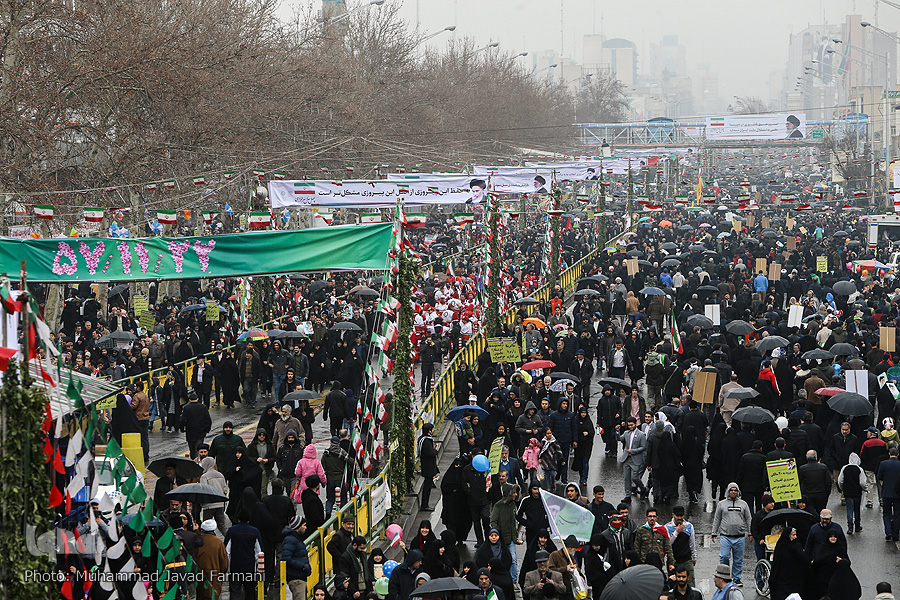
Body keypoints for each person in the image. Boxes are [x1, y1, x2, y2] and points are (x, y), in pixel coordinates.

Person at [711, 483, 751, 587]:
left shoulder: (743, 504)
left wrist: (750, 532)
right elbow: (717, 518)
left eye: (735, 490)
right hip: (725, 536)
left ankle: (737, 579)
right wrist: (714, 532)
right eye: (731, 490)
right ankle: (725, 576)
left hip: (740, 536)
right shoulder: (721, 504)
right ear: (728, 491)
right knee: (724, 556)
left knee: (738, 560)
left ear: (738, 492)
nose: (733, 492)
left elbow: (748, 519)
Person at [224, 510, 263, 600]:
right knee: (250, 593)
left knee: (235, 592)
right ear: (249, 520)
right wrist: (258, 569)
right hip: (250, 568)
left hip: (235, 568)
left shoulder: (232, 531)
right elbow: (259, 552)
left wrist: (228, 568)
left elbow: (226, 551)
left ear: (238, 520)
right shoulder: (254, 531)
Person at [490, 483, 521, 580]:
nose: (516, 495)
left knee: (513, 560)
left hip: (510, 539)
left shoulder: (512, 505)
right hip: (501, 539)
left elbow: (513, 523)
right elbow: (493, 521)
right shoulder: (498, 505)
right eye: (514, 492)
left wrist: (515, 536)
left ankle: (514, 580)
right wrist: (497, 534)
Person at [767, 527, 808, 600]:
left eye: (795, 535)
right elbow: (777, 563)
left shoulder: (796, 546)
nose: (795, 537)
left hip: (795, 578)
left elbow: (803, 559)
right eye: (793, 535)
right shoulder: (781, 547)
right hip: (782, 579)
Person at [633, 507, 674, 573]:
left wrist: (671, 562)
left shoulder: (662, 530)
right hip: (644, 563)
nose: (652, 518)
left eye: (654, 516)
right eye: (650, 516)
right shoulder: (641, 530)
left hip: (659, 562)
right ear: (646, 517)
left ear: (657, 517)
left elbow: (668, 547)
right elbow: (637, 547)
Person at [195, 519, 229, 600]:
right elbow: (224, 563)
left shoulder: (197, 541)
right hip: (214, 576)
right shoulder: (218, 542)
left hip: (199, 575)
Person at [664, 506, 697, 587]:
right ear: (673, 515)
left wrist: (694, 557)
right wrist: (676, 532)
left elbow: (692, 543)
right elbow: (668, 544)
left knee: (690, 585)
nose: (679, 518)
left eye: (681, 516)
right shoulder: (667, 527)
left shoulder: (689, 526)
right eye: (677, 516)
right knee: (674, 586)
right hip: (673, 561)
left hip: (687, 560)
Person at [617, 416, 648, 501]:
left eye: (631, 425)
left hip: (636, 459)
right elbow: (619, 438)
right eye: (629, 425)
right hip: (627, 458)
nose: (630, 426)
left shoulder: (641, 435)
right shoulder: (627, 433)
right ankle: (628, 495)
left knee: (635, 477)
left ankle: (643, 488)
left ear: (635, 424)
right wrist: (617, 432)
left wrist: (633, 451)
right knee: (626, 478)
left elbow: (644, 447)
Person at [282, 515, 312, 600]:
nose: (306, 527)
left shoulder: (295, 539)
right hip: (296, 578)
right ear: (298, 526)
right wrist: (302, 566)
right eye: (304, 525)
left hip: (299, 577)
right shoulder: (291, 539)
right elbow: (286, 558)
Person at [321, 435, 352, 517]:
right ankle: (342, 515)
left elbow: (323, 463)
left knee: (330, 499)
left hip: (330, 479)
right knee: (343, 498)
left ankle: (328, 512)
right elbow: (351, 462)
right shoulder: (342, 453)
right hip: (340, 479)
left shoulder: (326, 453)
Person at [838, 452, 867, 533]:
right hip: (857, 492)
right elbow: (862, 482)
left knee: (849, 509)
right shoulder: (859, 469)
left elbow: (840, 480)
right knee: (857, 509)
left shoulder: (844, 468)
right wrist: (865, 489)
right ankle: (857, 525)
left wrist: (842, 488)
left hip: (847, 491)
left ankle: (850, 527)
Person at [876, 445, 900, 541]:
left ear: (889, 454)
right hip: (898, 493)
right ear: (898, 454)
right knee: (897, 513)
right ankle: (895, 533)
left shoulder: (883, 463)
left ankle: (888, 531)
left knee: (886, 512)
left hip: (886, 491)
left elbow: (879, 476)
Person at [199, 457, 229, 533]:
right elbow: (225, 490)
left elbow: (204, 491)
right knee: (222, 525)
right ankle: (229, 540)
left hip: (209, 505)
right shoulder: (220, 475)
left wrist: (202, 503)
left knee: (206, 527)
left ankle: (209, 542)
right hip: (220, 504)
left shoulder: (204, 476)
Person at [798, 449, 832, 515]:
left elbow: (799, 482)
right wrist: (826, 493)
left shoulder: (802, 468)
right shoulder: (823, 467)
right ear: (816, 457)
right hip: (821, 494)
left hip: (808, 494)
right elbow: (828, 482)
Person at [246, 428, 275, 497]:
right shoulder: (252, 446)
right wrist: (256, 459)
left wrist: (268, 460)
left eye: (263, 435)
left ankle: (264, 502)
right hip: (255, 471)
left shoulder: (270, 446)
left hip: (265, 470)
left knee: (263, 488)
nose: (262, 436)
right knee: (255, 488)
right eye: (260, 435)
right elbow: (247, 457)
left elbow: (274, 457)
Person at [748, 494, 775, 560]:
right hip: (761, 541)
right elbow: (754, 529)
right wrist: (759, 539)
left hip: (772, 541)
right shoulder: (758, 516)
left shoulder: (775, 514)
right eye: (770, 503)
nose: (772, 504)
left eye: (773, 502)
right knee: (760, 559)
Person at [418, 423, 438, 511]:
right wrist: (435, 451)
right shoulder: (426, 440)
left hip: (426, 465)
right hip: (428, 466)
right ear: (429, 431)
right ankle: (424, 504)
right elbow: (429, 453)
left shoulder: (422, 439)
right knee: (427, 486)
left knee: (428, 484)